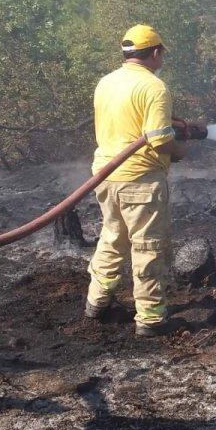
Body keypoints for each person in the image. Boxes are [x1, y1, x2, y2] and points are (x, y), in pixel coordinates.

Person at [83, 24, 185, 337]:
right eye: (161, 53)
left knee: (112, 238)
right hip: (140, 180)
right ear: (154, 52)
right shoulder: (154, 87)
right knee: (147, 247)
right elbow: (159, 140)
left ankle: (96, 302)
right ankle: (151, 319)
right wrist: (179, 152)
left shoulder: (106, 82)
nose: (162, 59)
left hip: (105, 176)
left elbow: (130, 121)